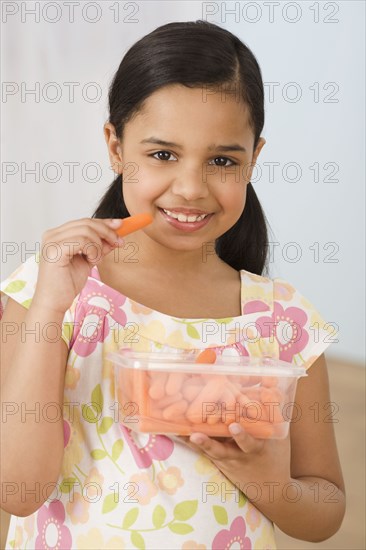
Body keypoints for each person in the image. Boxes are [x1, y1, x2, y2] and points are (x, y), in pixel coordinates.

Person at [0, 20, 345, 550]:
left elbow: (325, 511)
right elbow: (18, 490)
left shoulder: (283, 320)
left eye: (223, 160)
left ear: (254, 159)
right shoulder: (46, 291)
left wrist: (272, 485)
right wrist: (49, 309)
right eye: (162, 154)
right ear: (115, 147)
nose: (190, 188)